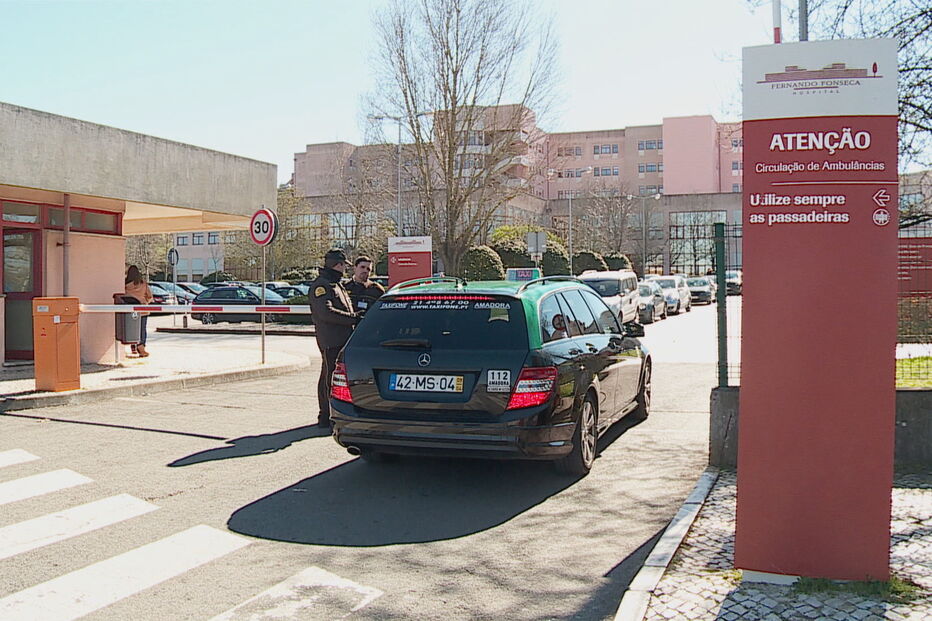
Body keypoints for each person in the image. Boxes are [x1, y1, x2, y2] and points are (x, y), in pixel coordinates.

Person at [308, 249, 360, 428]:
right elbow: (325, 312)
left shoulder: (336, 284)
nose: (345, 269)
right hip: (331, 339)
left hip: (342, 338)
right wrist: (353, 319)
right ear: (338, 265)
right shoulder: (322, 285)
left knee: (333, 376)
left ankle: (330, 414)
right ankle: (326, 415)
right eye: (344, 265)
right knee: (329, 377)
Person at [124, 265, 154, 357]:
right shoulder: (143, 284)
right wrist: (145, 302)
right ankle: (141, 347)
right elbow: (150, 296)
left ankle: (133, 345)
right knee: (142, 329)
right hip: (143, 309)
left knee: (132, 328)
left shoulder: (125, 285)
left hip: (130, 310)